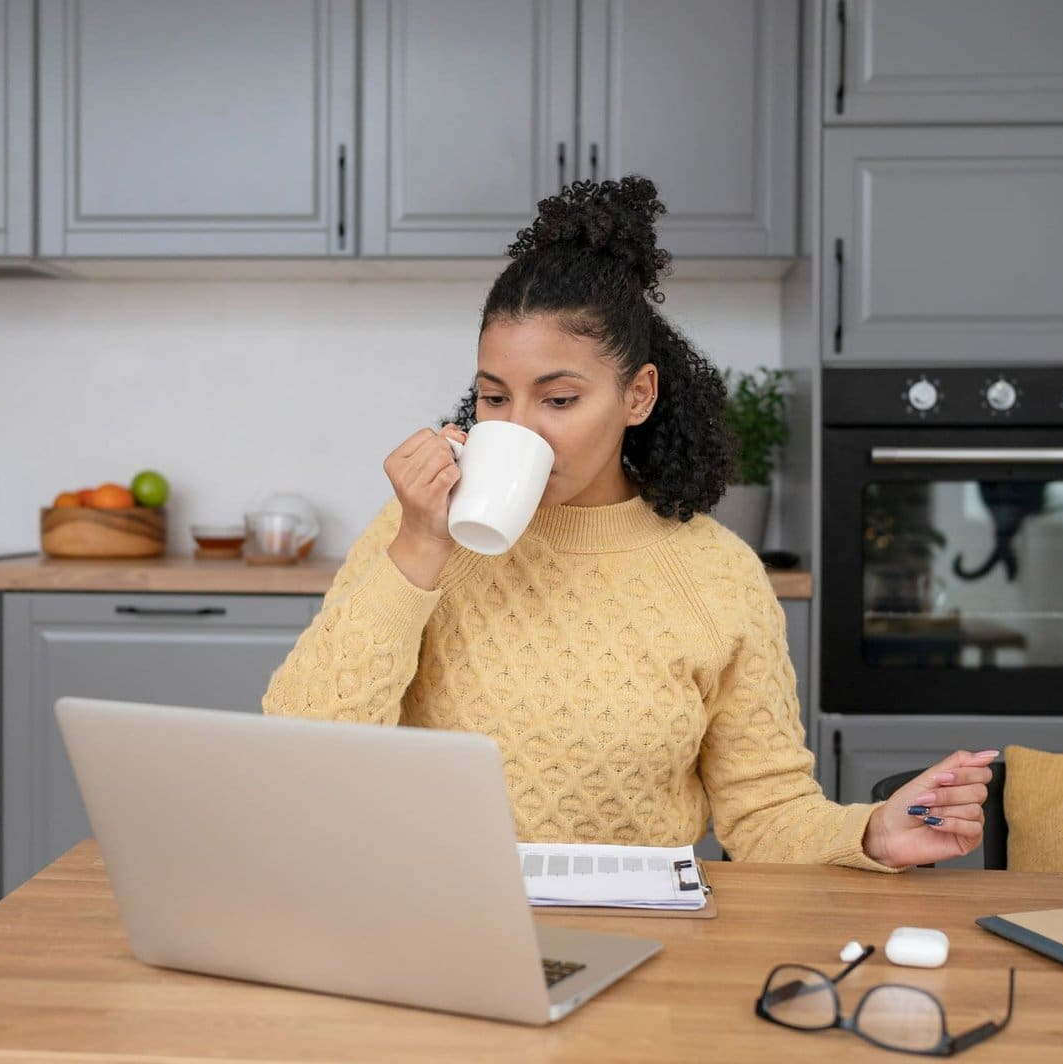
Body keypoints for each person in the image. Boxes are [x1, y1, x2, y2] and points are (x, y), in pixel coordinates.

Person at [263, 176, 993, 871]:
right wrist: (420, 546)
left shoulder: (720, 574)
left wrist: (872, 832)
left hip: (644, 931)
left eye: (559, 400)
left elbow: (764, 811)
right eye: (493, 398)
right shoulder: (418, 530)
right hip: (435, 907)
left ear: (637, 395)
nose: (520, 429)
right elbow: (302, 754)